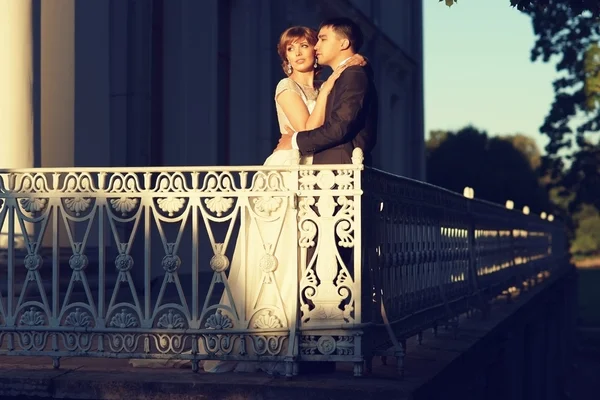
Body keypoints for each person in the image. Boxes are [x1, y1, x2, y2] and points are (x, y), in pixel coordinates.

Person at [202, 26, 366, 375]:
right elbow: (307, 126)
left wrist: (336, 79)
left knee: (302, 256)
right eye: (290, 50)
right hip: (285, 173)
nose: (299, 54)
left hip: (311, 175)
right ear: (284, 58)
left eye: (305, 46)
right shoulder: (286, 87)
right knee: (274, 254)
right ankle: (266, 336)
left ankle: (301, 335)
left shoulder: (325, 85)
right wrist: (333, 82)